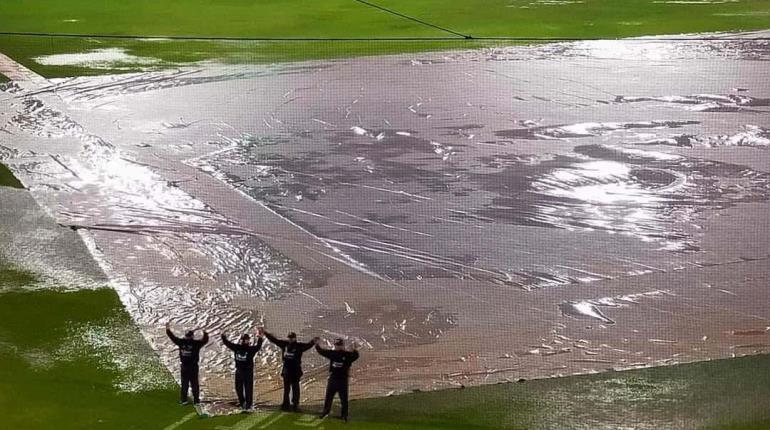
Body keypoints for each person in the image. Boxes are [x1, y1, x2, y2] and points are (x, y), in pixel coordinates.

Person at [258, 327, 317, 411]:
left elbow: (308, 345)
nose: (290, 339)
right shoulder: (284, 344)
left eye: (292, 338)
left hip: (296, 371)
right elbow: (274, 340)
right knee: (286, 389)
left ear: (295, 338)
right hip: (286, 371)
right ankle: (285, 404)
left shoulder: (299, 346)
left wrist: (313, 341)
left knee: (295, 389)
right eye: (289, 338)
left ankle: (295, 405)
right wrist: (265, 333)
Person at [315, 337, 359, 422]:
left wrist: (354, 349)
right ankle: (325, 412)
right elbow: (322, 352)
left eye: (339, 345)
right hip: (333, 379)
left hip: (342, 380)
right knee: (328, 397)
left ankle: (344, 415)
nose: (337, 347)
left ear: (343, 345)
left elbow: (356, 356)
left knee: (344, 399)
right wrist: (317, 345)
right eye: (336, 345)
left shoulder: (347, 355)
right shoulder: (333, 353)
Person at [165, 321, 209, 405]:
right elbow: (205, 340)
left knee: (185, 383)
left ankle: (184, 400)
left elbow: (172, 337)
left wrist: (167, 329)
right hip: (193, 367)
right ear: (192, 336)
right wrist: (205, 332)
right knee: (194, 383)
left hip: (185, 367)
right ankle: (196, 400)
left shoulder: (181, 342)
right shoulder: (196, 343)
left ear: (185, 336)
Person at [221, 330, 263, 411]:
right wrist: (223, 335)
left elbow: (258, 346)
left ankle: (248, 405)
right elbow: (227, 343)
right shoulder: (237, 347)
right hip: (239, 371)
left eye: (245, 339)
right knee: (238, 388)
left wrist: (260, 337)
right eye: (242, 339)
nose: (244, 341)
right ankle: (242, 402)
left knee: (248, 389)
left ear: (248, 340)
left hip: (248, 372)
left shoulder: (251, 349)